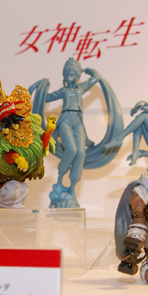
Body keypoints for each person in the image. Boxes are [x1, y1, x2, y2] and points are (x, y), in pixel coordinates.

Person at [41, 58, 99, 205]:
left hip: (78, 121)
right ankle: (60, 179)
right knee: (72, 150)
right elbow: (46, 98)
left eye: (73, 73)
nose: (69, 76)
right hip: (66, 120)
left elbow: (96, 77)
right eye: (67, 74)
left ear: (78, 75)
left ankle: (72, 187)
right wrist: (42, 88)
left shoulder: (81, 88)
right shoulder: (63, 91)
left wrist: (86, 70)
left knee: (81, 153)